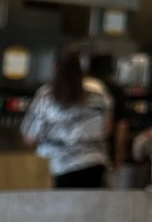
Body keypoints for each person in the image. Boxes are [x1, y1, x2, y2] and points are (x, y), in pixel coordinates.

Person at [20, 45, 112, 188]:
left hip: (55, 167)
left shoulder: (46, 95)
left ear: (54, 66)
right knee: (87, 209)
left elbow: (30, 138)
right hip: (93, 166)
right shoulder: (99, 91)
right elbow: (106, 129)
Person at [87, 53, 130, 177]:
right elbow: (121, 125)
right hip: (105, 153)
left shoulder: (83, 89)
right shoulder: (114, 89)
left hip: (75, 155)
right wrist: (119, 154)